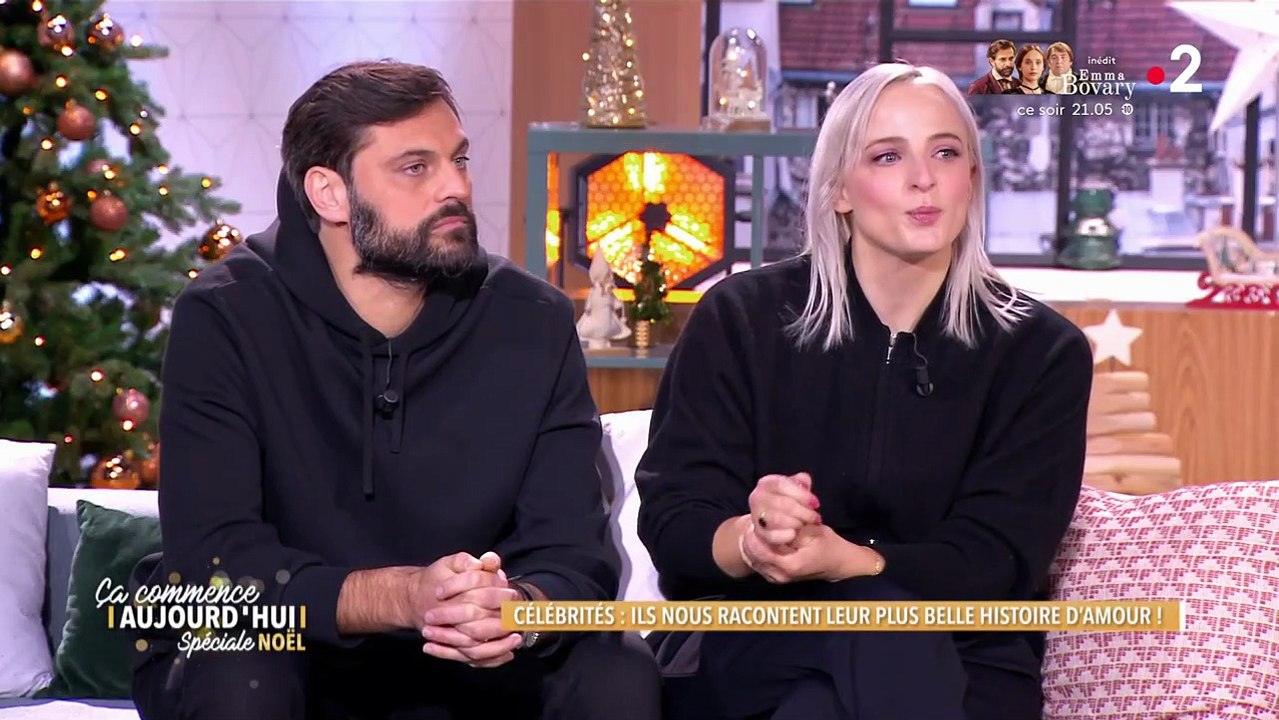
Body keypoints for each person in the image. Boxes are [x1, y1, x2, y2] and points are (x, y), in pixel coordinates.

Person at [130, 60, 660, 720]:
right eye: (416, 168)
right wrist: (399, 597)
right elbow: (216, 561)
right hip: (291, 645)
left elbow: (574, 555)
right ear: (329, 193)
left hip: (470, 658)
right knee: (242, 665)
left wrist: (514, 608)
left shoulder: (532, 321)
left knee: (615, 670)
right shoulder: (227, 316)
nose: (456, 187)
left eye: (458, 160)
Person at [635, 61, 1092, 720]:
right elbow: (674, 523)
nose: (922, 178)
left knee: (841, 678)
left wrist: (847, 560)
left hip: (961, 651)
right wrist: (750, 538)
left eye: (945, 152)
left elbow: (995, 561)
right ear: (838, 189)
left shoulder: (1039, 352)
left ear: (972, 177)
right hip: (757, 637)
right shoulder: (741, 318)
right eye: (886, 156)